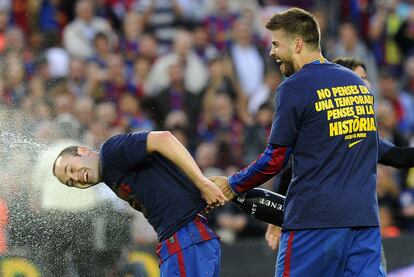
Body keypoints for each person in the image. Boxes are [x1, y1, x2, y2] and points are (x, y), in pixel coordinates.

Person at [211, 8, 385, 276]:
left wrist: (233, 184)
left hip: (314, 224)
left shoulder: (295, 87)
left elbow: (276, 159)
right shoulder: (358, 85)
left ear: (298, 44)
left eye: (276, 44)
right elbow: (369, 150)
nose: (272, 53)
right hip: (364, 222)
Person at [52, 131, 227, 276]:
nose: (75, 178)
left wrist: (201, 182)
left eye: (71, 169)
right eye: (70, 182)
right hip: (186, 238)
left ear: (83, 150)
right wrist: (194, 194)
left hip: (184, 240)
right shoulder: (110, 174)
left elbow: (163, 138)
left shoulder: (110, 152)